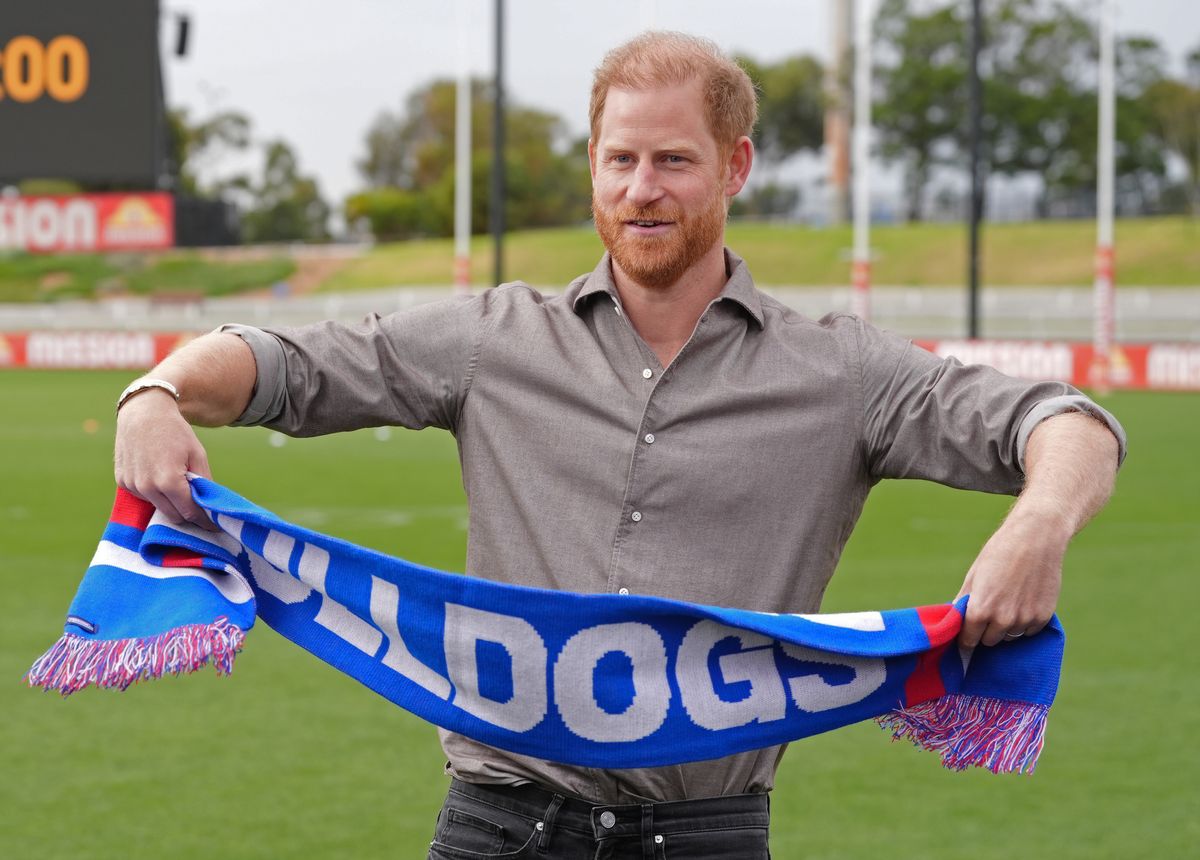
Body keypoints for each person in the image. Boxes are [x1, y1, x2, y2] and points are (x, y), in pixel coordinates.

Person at [114, 32, 1123, 860]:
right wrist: (159, 390)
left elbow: (1069, 423)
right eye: (621, 159)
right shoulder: (493, 339)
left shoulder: (840, 374)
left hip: (708, 834)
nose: (643, 189)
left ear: (735, 166)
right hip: (499, 825)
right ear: (594, 166)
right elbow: (288, 362)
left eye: (674, 160)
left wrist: (1039, 522)